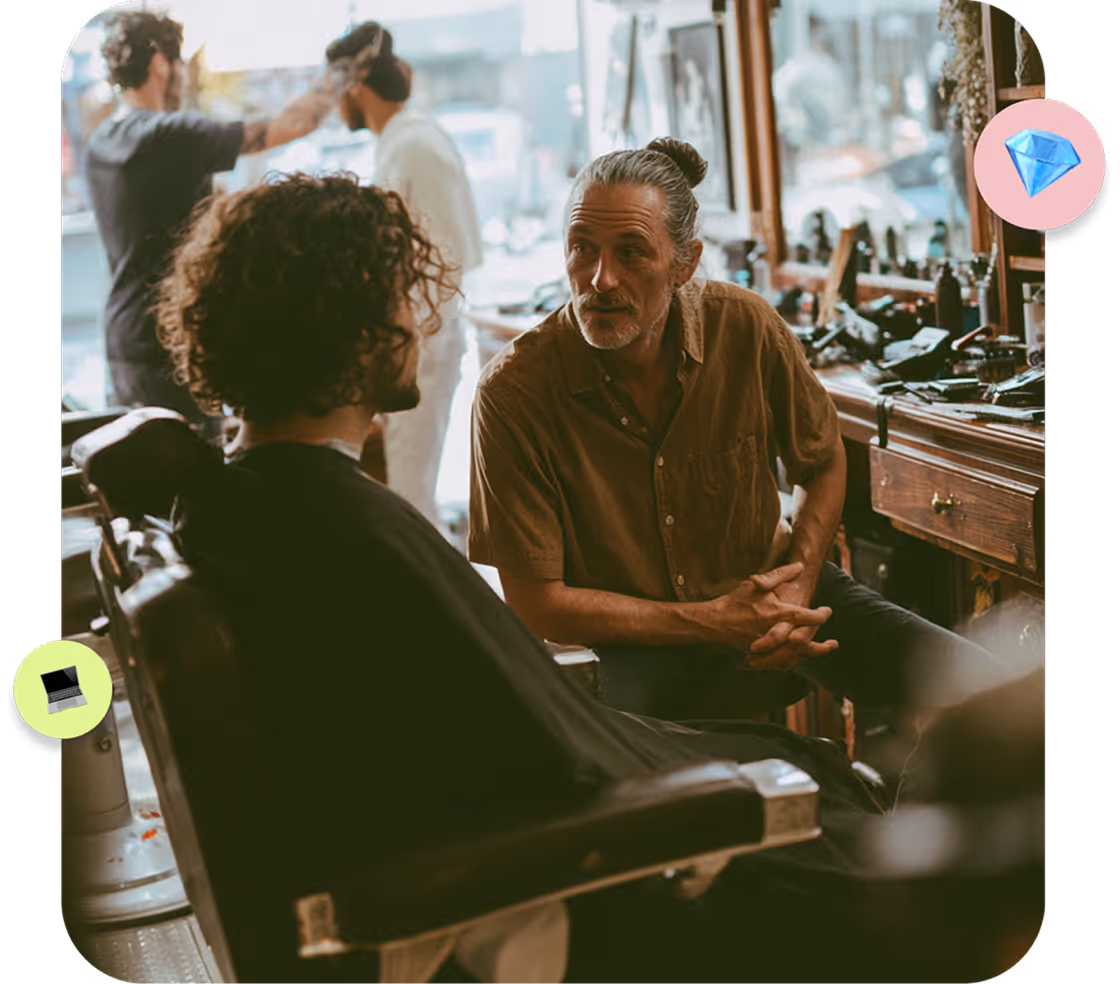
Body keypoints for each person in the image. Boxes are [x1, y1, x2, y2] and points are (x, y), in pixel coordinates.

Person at [154, 171, 1019, 983]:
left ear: (683, 264)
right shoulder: (341, 523)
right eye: (399, 299)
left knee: (897, 744)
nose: (420, 323)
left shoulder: (267, 508)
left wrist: (787, 597)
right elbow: (530, 748)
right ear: (345, 327)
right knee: (927, 895)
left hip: (609, 791)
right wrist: (721, 781)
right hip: (595, 873)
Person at [468, 137, 1014, 736]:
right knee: (663, 789)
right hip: (634, 639)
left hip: (774, 597)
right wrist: (713, 620)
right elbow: (537, 601)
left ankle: (901, 823)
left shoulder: (746, 327)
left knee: (993, 697)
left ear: (686, 263)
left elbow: (823, 459)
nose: (600, 279)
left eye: (631, 252)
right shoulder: (513, 394)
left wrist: (799, 584)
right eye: (582, 249)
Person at [86, 9, 339, 436]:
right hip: (169, 339)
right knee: (188, 478)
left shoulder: (103, 142)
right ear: (160, 63)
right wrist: (344, 69)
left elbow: (165, 209)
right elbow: (293, 125)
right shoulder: (172, 134)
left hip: (121, 335)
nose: (185, 76)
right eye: (180, 63)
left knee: (136, 473)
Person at [325, 21, 484, 535]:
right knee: (406, 489)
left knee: (412, 497)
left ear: (356, 86)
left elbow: (446, 258)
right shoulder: (399, 140)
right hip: (408, 341)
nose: (333, 104)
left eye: (336, 91)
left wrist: (402, 340)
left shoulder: (416, 145)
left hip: (425, 342)